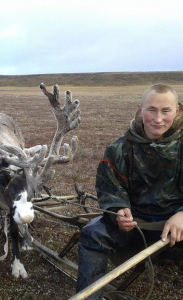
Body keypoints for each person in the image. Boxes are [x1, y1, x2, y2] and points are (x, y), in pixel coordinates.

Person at [76, 84, 183, 299]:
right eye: (151, 110)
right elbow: (109, 187)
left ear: (177, 111)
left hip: (177, 229)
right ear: (140, 110)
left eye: (166, 111)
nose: (158, 119)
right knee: (92, 233)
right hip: (136, 226)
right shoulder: (119, 149)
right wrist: (118, 211)